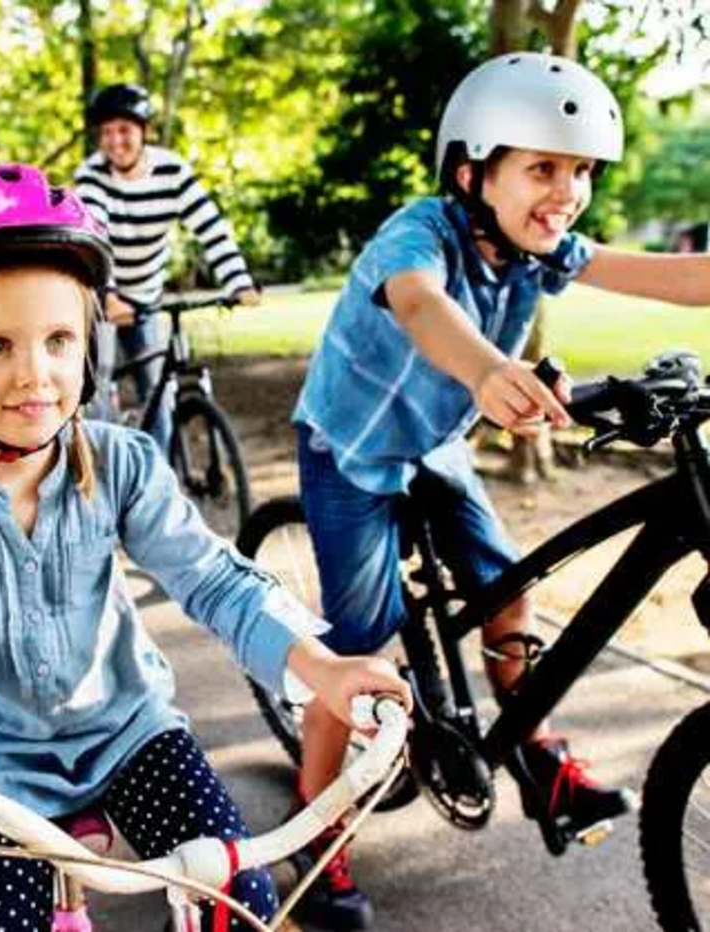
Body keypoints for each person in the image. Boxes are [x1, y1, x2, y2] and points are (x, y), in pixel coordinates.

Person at [0, 162, 411, 932]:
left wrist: (322, 669)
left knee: (241, 902)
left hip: (127, 732)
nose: (36, 374)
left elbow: (215, 581)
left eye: (59, 339)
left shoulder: (123, 463)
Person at [290, 52, 710, 931]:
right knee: (359, 657)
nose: (568, 191)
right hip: (352, 452)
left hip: (437, 445)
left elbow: (676, 276)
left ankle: (537, 757)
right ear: (472, 171)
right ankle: (316, 836)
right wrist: (487, 370)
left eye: (583, 171)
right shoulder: (419, 234)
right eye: (543, 167)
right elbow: (418, 304)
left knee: (508, 595)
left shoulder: (542, 250)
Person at [73, 84, 261, 450]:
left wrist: (239, 282)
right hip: (100, 296)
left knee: (158, 391)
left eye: (124, 130)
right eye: (107, 133)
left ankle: (157, 482)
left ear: (144, 131)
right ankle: (93, 474)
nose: (115, 141)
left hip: (146, 295)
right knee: (93, 393)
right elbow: (95, 235)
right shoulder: (91, 174)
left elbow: (210, 227)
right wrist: (108, 294)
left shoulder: (172, 170)